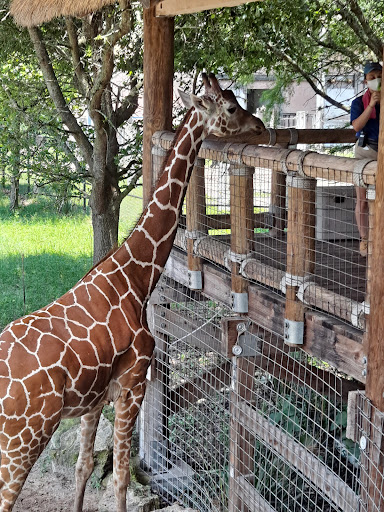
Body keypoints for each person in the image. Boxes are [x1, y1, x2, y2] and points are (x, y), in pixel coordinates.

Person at [351, 61, 382, 257]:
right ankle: (364, 239)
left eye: (379, 76)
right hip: (365, 150)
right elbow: (356, 127)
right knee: (362, 199)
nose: (376, 81)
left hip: (382, 152)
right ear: (365, 81)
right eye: (372, 78)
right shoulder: (358, 103)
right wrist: (371, 105)